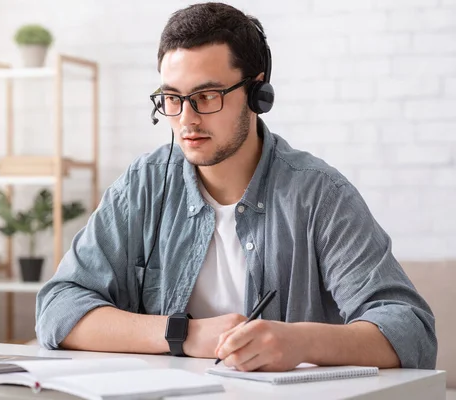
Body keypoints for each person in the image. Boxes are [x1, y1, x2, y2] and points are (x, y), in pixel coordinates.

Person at [36, 2, 437, 371]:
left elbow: (410, 329)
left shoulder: (319, 195)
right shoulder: (143, 184)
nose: (186, 119)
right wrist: (185, 335)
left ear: (257, 93)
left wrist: (301, 342)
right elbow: (58, 307)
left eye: (206, 96)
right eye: (172, 98)